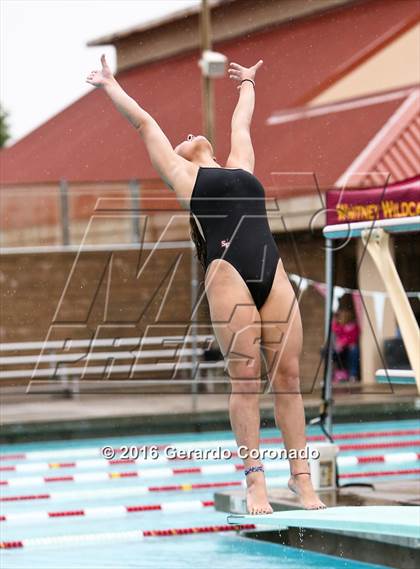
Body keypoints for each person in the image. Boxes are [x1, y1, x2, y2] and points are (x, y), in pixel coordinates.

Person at [86, 55, 326, 513]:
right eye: (183, 139)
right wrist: (111, 86)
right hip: (227, 271)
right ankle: (256, 481)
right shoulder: (183, 176)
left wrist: (248, 85)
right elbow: (144, 124)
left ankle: (301, 479)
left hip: (270, 268)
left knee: (291, 377)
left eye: (193, 133)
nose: (189, 134)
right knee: (246, 377)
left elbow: (243, 123)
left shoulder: (239, 164)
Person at [331, 306, 360, 382]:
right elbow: (335, 332)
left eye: (344, 315)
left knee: (354, 349)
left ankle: (352, 374)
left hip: (348, 349)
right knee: (331, 353)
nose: (342, 317)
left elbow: (353, 337)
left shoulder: (353, 326)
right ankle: (334, 375)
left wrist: (343, 342)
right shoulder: (338, 326)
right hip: (340, 349)